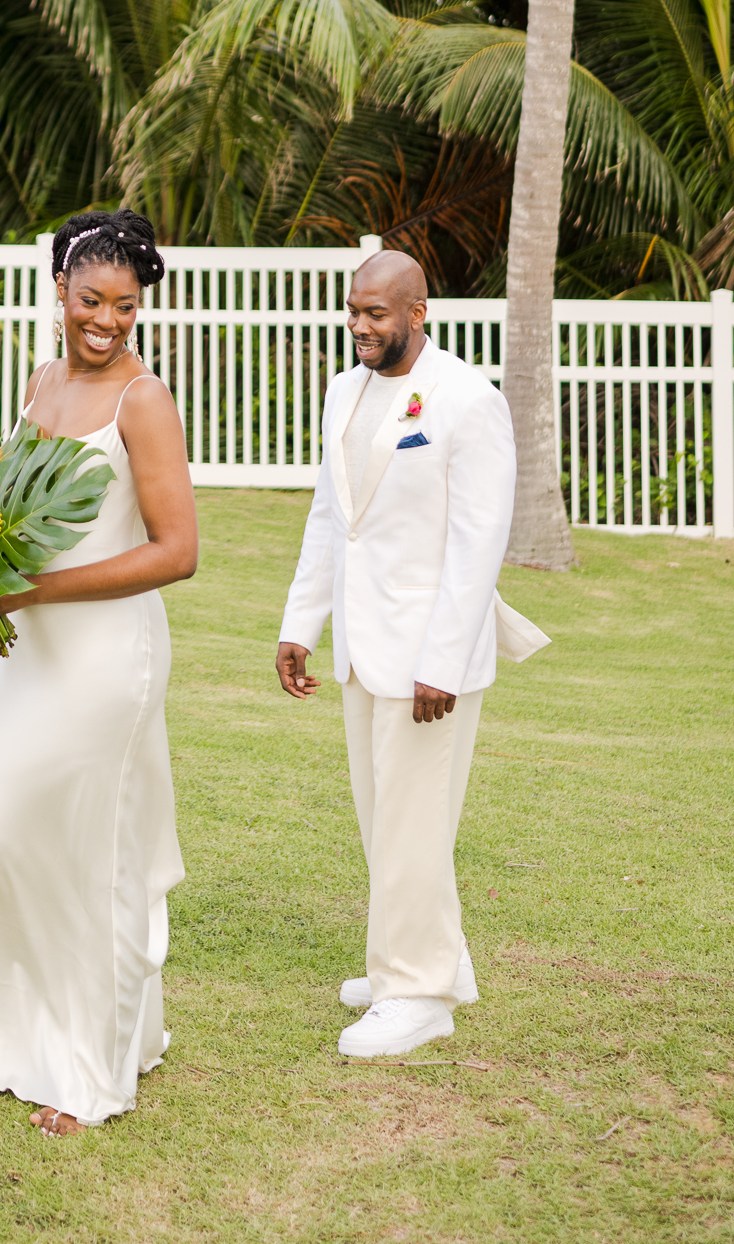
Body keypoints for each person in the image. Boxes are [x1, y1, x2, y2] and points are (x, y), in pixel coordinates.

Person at [0, 209, 198, 1133]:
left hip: (104, 657)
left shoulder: (143, 401)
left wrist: (32, 589)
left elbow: (177, 553)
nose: (109, 321)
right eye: (92, 300)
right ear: (59, 293)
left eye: (126, 305)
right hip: (27, 650)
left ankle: (92, 1072)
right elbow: (17, 505)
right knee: (7, 838)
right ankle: (4, 1037)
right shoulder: (42, 380)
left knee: (94, 859)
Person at [275, 249, 548, 1059]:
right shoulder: (344, 389)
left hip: (431, 659)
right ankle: (428, 957)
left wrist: (444, 661)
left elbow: (477, 542)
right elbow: (332, 517)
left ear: (418, 311)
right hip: (364, 647)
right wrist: (302, 625)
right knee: (385, 819)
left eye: (377, 314)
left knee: (413, 822)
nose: (360, 326)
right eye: (353, 311)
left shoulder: (468, 400)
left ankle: (417, 994)